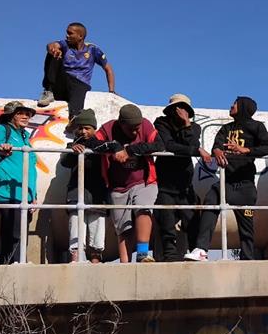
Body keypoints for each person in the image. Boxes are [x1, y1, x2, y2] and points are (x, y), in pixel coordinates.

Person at [184, 96, 268, 261]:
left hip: (245, 185)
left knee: (246, 226)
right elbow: (216, 145)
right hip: (226, 183)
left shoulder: (256, 127)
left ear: (243, 107)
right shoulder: (226, 128)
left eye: (235, 103)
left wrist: (245, 149)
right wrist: (217, 151)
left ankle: (247, 259)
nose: (231, 105)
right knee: (210, 202)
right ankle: (201, 250)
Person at [125, 94, 209, 261]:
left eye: (183, 109)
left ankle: (196, 253)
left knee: (191, 220)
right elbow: (168, 145)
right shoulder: (161, 123)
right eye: (177, 109)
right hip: (165, 182)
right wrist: (195, 150)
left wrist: (186, 125)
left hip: (185, 184)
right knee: (166, 220)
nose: (179, 112)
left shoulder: (194, 127)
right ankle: (169, 256)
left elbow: (191, 143)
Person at [94, 104, 158, 263]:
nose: (136, 132)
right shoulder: (108, 128)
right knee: (123, 226)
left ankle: (143, 254)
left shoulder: (146, 125)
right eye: (131, 128)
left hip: (143, 180)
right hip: (118, 186)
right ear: (121, 123)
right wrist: (114, 147)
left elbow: (159, 145)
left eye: (138, 128)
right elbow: (93, 143)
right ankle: (125, 263)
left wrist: (129, 150)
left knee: (143, 208)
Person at [0, 101, 38, 264]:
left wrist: (33, 194)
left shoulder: (25, 137)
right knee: (14, 228)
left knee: (20, 228)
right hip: (5, 190)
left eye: (28, 113)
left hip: (24, 193)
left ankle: (15, 262)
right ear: (11, 115)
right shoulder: (1, 130)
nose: (26, 116)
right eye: (21, 113)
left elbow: (31, 168)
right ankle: (12, 263)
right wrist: (0, 151)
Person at [37, 22, 115, 116]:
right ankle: (49, 91)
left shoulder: (92, 49)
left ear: (80, 36)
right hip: (63, 82)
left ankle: (74, 119)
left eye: (70, 33)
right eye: (67, 32)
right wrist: (53, 49)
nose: (67, 36)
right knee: (53, 54)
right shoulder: (65, 44)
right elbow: (51, 45)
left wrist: (111, 91)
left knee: (76, 112)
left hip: (80, 84)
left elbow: (108, 69)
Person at [60, 109, 107, 263]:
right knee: (76, 223)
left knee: (97, 225)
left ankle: (95, 258)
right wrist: (74, 150)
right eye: (80, 128)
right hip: (76, 192)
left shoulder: (101, 146)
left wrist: (95, 147)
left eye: (87, 128)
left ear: (94, 129)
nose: (83, 131)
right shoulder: (71, 146)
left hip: (97, 193)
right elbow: (65, 162)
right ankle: (76, 256)